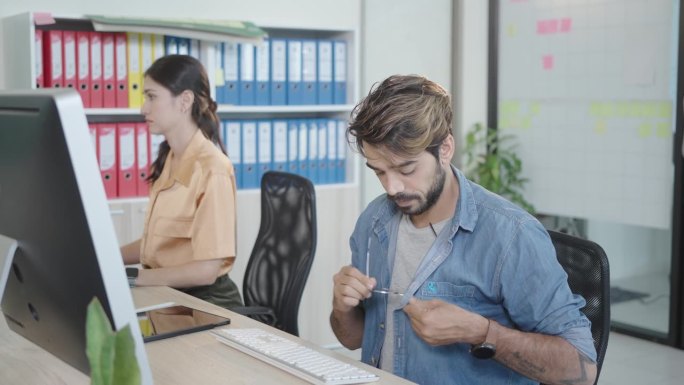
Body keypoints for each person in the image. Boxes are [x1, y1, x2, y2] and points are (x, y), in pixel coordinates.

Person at [330, 74, 597, 385]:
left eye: (406, 168)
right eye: (379, 172)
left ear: (445, 149)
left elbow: (581, 372)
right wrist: (342, 307)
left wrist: (481, 333)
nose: (392, 187)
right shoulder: (374, 221)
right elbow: (352, 339)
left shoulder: (511, 235)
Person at [120, 54, 243, 309]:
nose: (144, 108)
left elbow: (206, 270)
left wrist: (133, 277)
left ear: (185, 100)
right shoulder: (170, 160)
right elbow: (159, 243)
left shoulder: (212, 169)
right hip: (171, 295)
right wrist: (106, 258)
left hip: (207, 302)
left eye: (152, 97)